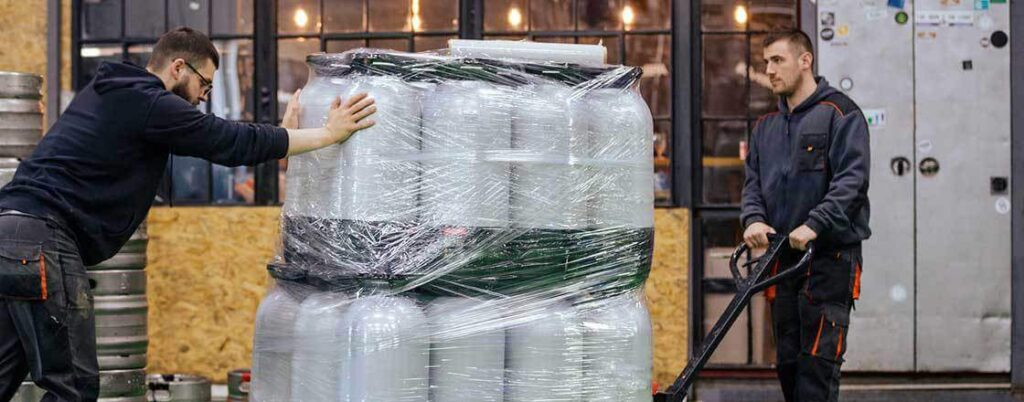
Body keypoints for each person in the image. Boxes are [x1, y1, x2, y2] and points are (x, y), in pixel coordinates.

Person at [0, 27, 376, 401]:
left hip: (10, 234)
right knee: (74, 386)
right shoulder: (148, 101)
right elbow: (226, 141)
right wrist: (328, 134)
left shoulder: (117, 94)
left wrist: (281, 137)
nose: (203, 97)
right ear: (178, 68)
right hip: (42, 238)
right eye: (204, 85)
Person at [741, 30, 870, 402]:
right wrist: (752, 219)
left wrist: (814, 224)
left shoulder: (841, 115)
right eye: (766, 62)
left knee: (817, 367)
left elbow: (851, 183)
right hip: (783, 262)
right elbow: (752, 183)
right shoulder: (765, 128)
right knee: (787, 363)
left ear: (805, 60)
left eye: (777, 60)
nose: (769, 70)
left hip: (828, 261)